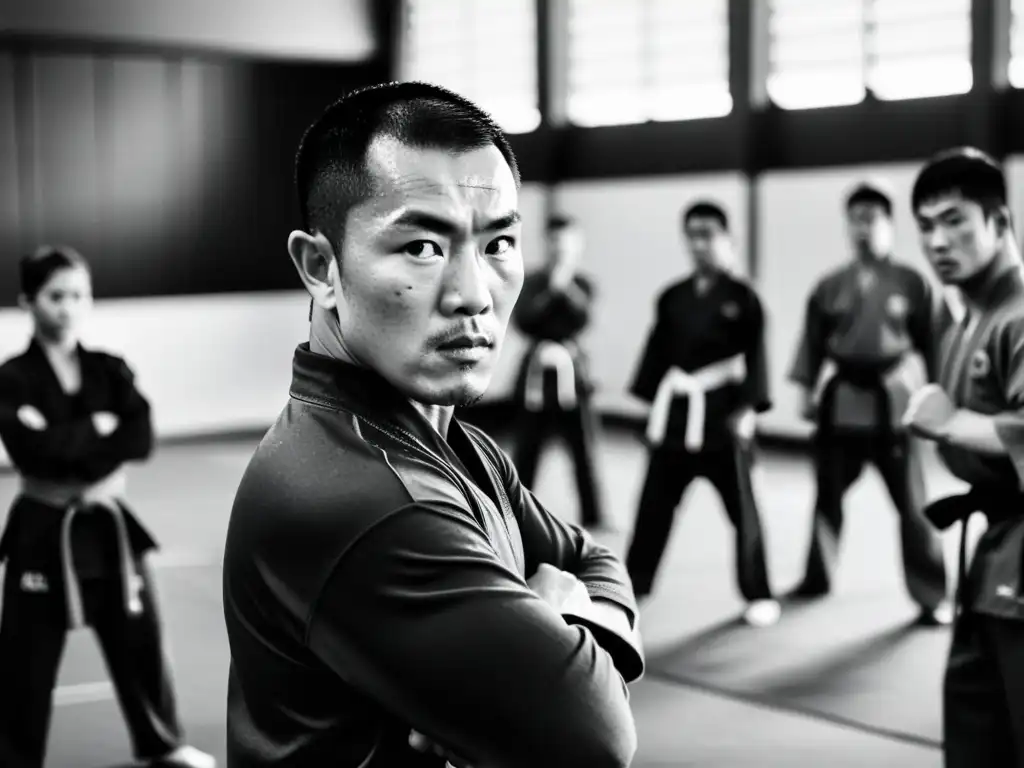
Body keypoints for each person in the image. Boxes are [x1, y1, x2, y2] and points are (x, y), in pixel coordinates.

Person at [222, 81, 643, 768]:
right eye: (421, 247)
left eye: (499, 242)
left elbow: (594, 560)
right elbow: (595, 735)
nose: (474, 294)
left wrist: (548, 618)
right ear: (321, 267)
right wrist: (553, 613)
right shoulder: (366, 498)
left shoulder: (456, 444)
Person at [0, 246, 215, 768]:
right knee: (26, 659)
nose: (68, 307)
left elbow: (139, 437)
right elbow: (30, 451)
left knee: (140, 638)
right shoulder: (13, 378)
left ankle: (161, 744)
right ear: (29, 301)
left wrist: (64, 436)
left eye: (78, 295)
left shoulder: (108, 369)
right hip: (42, 529)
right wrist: (96, 430)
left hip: (108, 527)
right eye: (56, 296)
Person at [903, 147, 1024, 767]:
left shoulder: (1019, 314)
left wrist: (952, 422)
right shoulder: (964, 319)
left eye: (955, 221)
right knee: (978, 729)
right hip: (991, 552)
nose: (937, 241)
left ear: (1000, 224)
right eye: (925, 226)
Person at [788, 180, 951, 625]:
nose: (864, 227)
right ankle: (817, 578)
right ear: (847, 225)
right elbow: (813, 342)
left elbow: (936, 344)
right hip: (842, 403)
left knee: (914, 505)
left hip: (893, 402)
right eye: (856, 218)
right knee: (827, 498)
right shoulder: (829, 285)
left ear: (889, 224)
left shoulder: (912, 282)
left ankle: (931, 595)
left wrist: (941, 395)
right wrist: (805, 391)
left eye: (873, 218)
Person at [624, 201, 780, 627]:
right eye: (692, 235)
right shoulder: (672, 297)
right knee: (653, 505)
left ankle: (758, 591)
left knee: (744, 511)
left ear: (727, 238)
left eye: (708, 234)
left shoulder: (744, 298)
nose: (699, 244)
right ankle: (634, 582)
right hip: (675, 416)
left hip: (724, 417)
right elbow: (656, 355)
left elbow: (758, 357)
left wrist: (748, 410)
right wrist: (647, 413)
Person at [511, 214, 607, 529]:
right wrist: (551, 290)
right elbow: (523, 320)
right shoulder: (531, 281)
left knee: (583, 448)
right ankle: (514, 509)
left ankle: (594, 515)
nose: (560, 247)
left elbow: (583, 319)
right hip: (537, 371)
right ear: (546, 243)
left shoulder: (583, 283)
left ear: (577, 245)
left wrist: (564, 287)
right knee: (528, 447)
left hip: (573, 374)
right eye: (554, 240)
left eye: (566, 241)